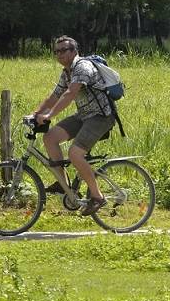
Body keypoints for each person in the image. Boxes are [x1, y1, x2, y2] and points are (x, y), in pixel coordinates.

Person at [31, 36, 116, 215]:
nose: (59, 54)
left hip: (101, 117)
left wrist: (49, 115)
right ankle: (65, 186)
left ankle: (98, 197)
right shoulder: (66, 72)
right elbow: (55, 96)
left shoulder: (83, 67)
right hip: (84, 115)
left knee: (75, 154)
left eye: (64, 50)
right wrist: (36, 113)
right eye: (56, 51)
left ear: (74, 51)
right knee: (50, 137)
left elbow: (70, 94)